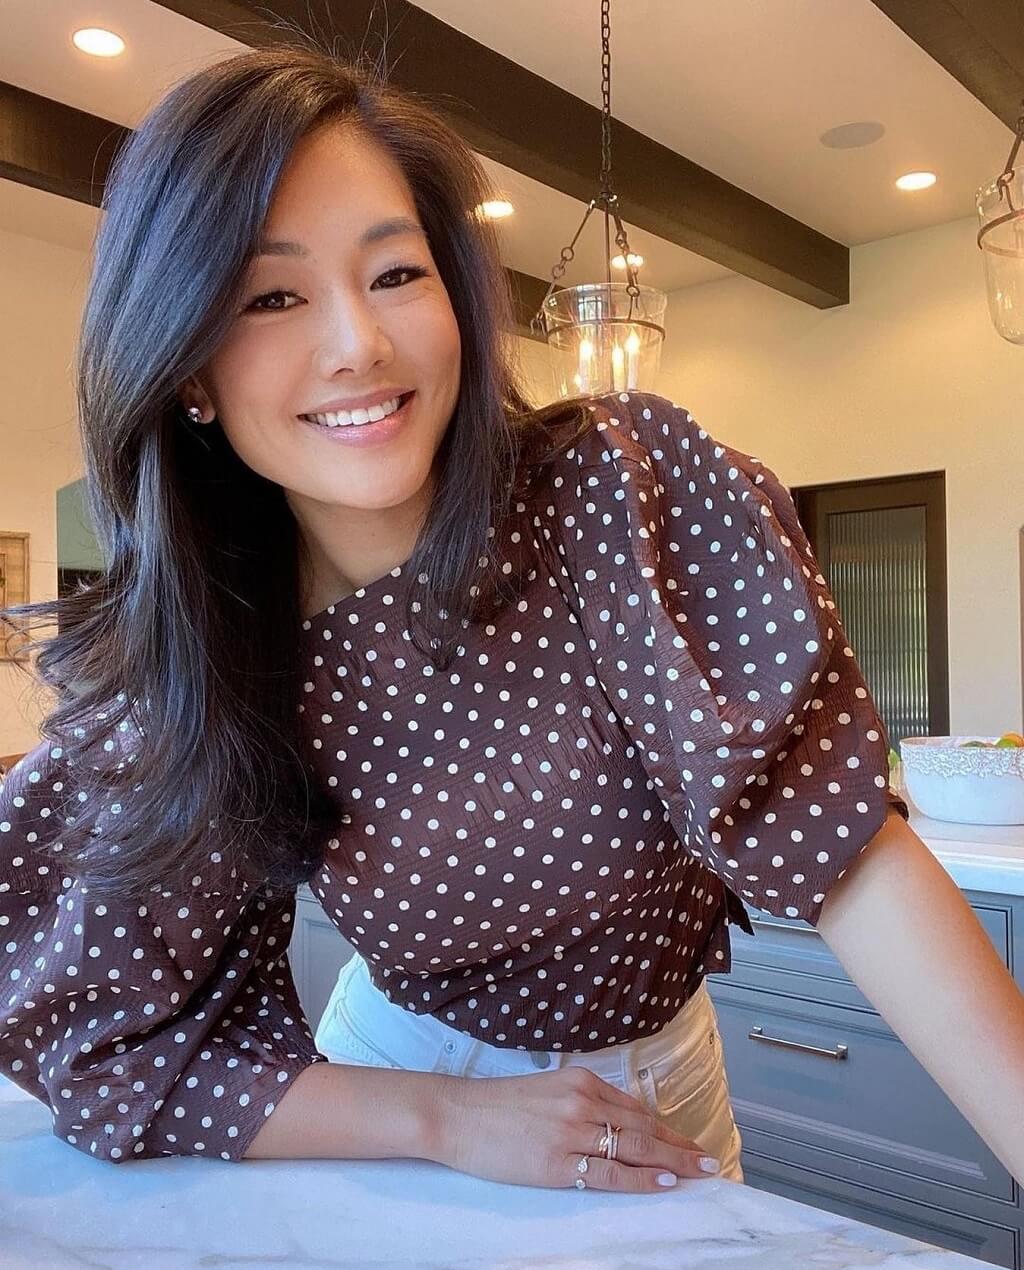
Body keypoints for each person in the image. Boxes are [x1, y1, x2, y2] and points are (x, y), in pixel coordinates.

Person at [1, 43, 1022, 1195]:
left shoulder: (611, 497)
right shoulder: (208, 650)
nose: (359, 343)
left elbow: (849, 859)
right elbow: (110, 1057)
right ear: (187, 366)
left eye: (396, 273)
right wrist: (446, 1117)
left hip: (669, 1076)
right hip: (404, 1099)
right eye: (272, 296)